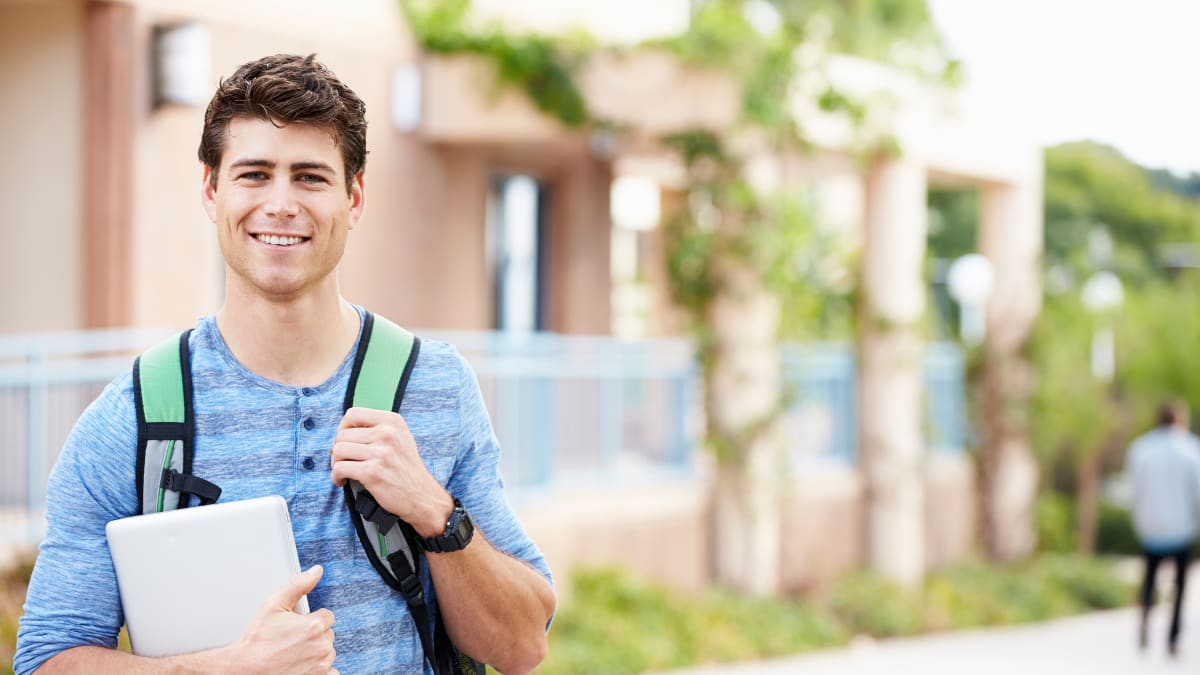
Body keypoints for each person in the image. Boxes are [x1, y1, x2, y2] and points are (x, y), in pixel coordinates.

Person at [15, 53, 555, 674]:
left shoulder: (434, 385)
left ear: (353, 199)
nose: (280, 203)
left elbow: (522, 649)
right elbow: (47, 661)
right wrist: (229, 669)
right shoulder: (136, 417)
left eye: (309, 177)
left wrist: (436, 512)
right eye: (254, 174)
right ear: (211, 190)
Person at [1126, 398, 1200, 657]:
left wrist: (1139, 519)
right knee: (1179, 587)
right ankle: (1173, 636)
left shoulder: (1140, 449)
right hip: (1182, 529)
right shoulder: (1191, 449)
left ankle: (1145, 618)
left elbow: (1133, 491)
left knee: (1149, 580)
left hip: (1151, 527)